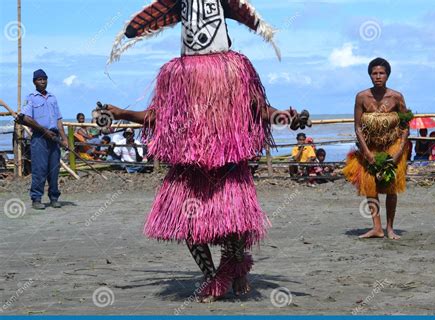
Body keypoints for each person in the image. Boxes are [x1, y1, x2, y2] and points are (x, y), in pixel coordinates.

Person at [100, 0, 307, 302]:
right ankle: (213, 277)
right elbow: (158, 116)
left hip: (228, 166)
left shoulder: (237, 68)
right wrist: (121, 113)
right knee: (190, 227)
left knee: (233, 226)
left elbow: (258, 109)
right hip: (189, 167)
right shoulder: (174, 73)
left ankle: (237, 267)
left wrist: (286, 118)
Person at [343, 58, 409, 240]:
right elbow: (357, 127)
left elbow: (405, 125)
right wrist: (366, 152)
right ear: (370, 75)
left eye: (382, 73)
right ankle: (377, 228)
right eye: (374, 73)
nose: (378, 76)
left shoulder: (396, 97)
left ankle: (390, 228)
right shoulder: (362, 97)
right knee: (370, 186)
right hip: (370, 146)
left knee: (391, 187)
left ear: (387, 75)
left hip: (392, 146)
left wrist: (398, 151)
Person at [18, 69, 68, 209]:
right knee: (39, 169)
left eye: (44, 79)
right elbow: (26, 118)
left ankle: (54, 197)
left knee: (54, 169)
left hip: (54, 137)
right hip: (39, 137)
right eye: (39, 79)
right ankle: (36, 199)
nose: (42, 81)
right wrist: (44, 131)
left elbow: (59, 120)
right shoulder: (31, 98)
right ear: (34, 82)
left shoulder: (52, 97)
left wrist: (64, 139)